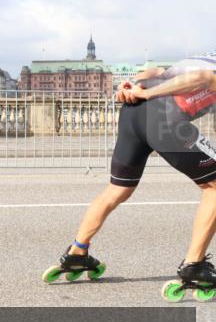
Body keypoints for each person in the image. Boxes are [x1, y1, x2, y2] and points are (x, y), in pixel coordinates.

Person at [43, 53, 216, 301]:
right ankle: (194, 265)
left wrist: (130, 86)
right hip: (163, 117)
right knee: (213, 188)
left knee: (117, 189)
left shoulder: (206, 57)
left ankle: (77, 253)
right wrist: (149, 93)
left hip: (133, 113)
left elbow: (153, 72)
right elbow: (202, 78)